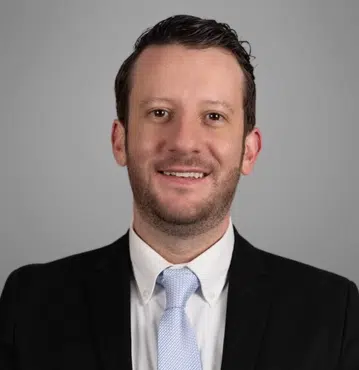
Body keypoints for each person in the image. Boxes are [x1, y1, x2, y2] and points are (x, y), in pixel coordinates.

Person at [0, 14, 358, 370]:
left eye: (214, 117)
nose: (184, 142)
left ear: (249, 151)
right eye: (159, 113)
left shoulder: (333, 312)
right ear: (120, 141)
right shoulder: (29, 303)